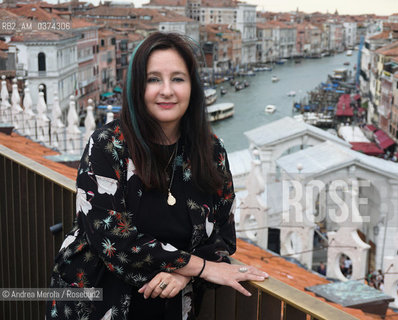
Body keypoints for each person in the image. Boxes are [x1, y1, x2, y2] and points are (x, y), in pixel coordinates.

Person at [46, 32, 268, 320]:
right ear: (137, 87)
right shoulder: (107, 144)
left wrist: (184, 275)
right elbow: (112, 236)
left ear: (193, 87)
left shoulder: (212, 151)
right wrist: (201, 267)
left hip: (172, 308)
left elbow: (223, 238)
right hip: (93, 304)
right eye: (153, 79)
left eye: (178, 78)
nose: (167, 91)